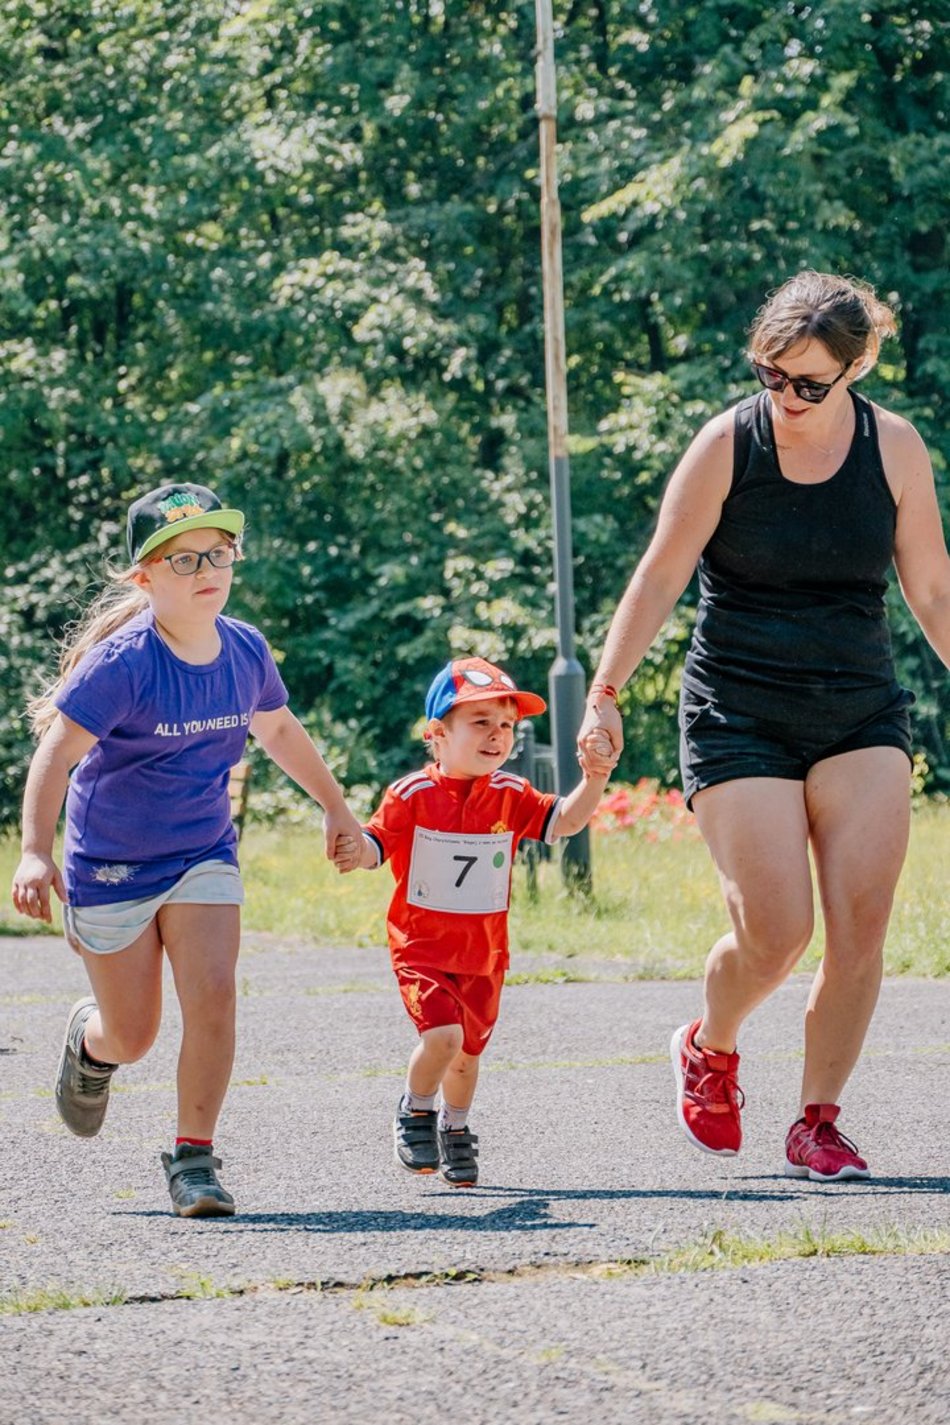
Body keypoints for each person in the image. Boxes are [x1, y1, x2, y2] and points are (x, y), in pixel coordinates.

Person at [578, 271, 950, 1181]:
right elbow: (661, 573)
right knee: (777, 931)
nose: (785, 397)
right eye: (770, 375)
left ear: (858, 364)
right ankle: (711, 1042)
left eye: (809, 383)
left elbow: (932, 588)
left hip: (857, 706)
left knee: (861, 926)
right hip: (737, 708)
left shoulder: (894, 449)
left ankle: (817, 1120)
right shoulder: (727, 444)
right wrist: (606, 689)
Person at [11, 482, 364, 1218]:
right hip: (112, 862)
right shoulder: (124, 663)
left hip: (203, 852)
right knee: (133, 1033)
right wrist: (35, 852)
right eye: (183, 559)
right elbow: (55, 753)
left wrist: (336, 807)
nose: (207, 568)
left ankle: (194, 1157)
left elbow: (280, 732)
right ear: (144, 578)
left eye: (219, 552)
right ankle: (91, 1042)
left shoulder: (244, 650)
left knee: (214, 995)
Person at [335, 656, 612, 1186]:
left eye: (507, 724)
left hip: (484, 954)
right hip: (422, 948)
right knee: (442, 1037)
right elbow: (376, 843)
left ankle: (456, 1129)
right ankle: (416, 1110)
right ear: (438, 734)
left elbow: (567, 820)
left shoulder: (510, 793)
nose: (497, 735)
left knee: (467, 1054)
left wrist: (595, 777)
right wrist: (357, 852)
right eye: (480, 722)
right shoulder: (412, 794)